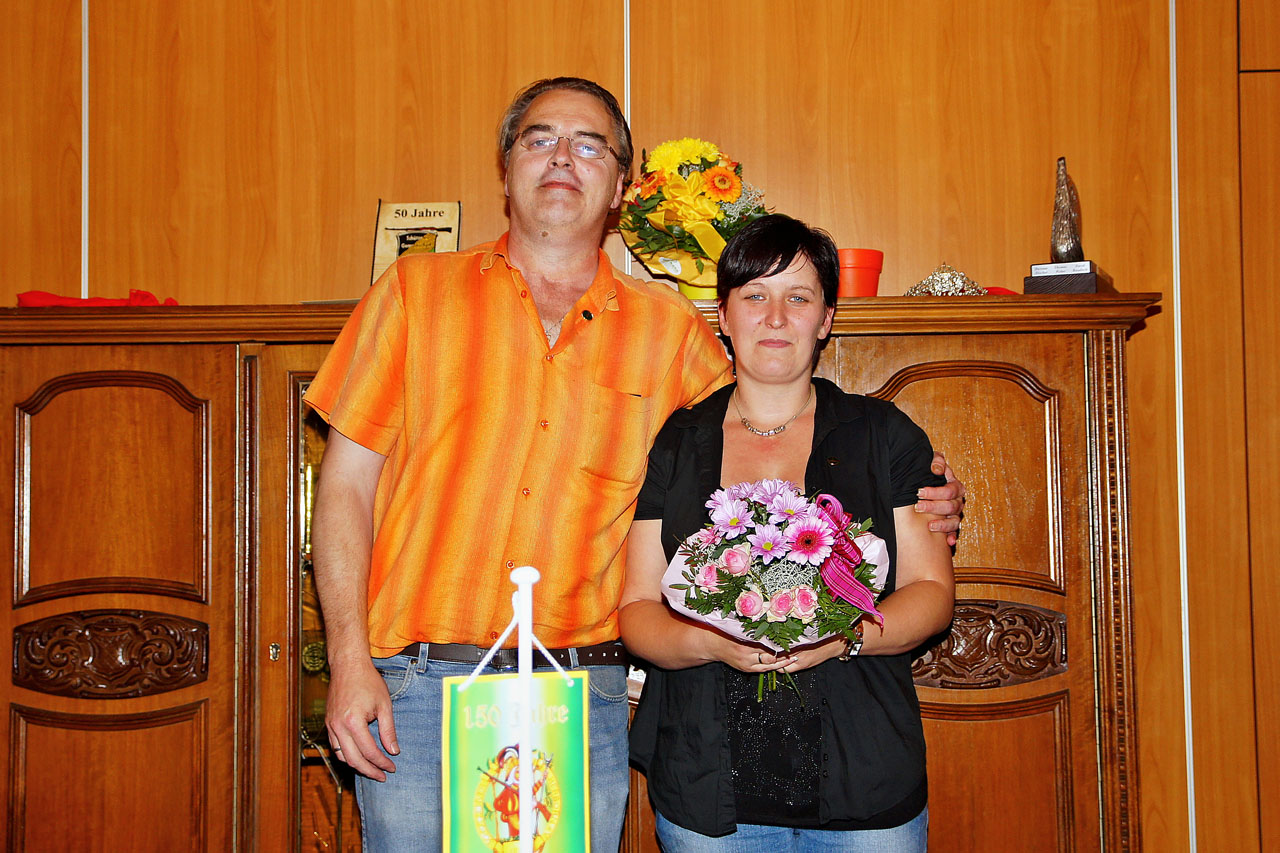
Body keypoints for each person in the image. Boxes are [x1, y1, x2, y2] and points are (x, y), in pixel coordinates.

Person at [305, 77, 965, 852]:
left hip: (577, 693)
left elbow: (769, 432)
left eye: (589, 145)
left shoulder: (670, 330)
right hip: (415, 690)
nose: (562, 157)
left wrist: (918, 487)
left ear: (620, 187)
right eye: (540, 139)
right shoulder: (413, 294)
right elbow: (345, 486)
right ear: (507, 166)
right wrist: (348, 660)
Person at [621, 214, 955, 852]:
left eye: (798, 298)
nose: (775, 318)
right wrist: (709, 642)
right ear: (724, 315)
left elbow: (932, 592)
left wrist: (843, 638)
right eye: (755, 296)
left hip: (865, 786)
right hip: (707, 790)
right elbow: (638, 608)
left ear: (825, 320)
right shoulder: (676, 442)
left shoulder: (883, 435)